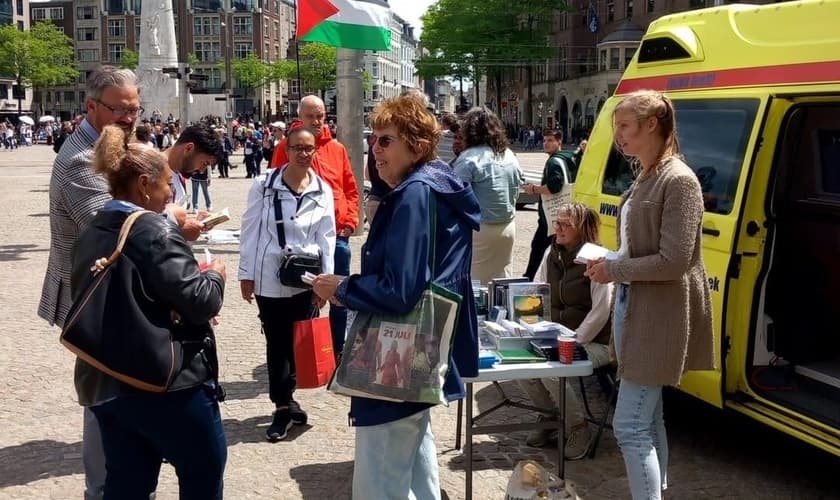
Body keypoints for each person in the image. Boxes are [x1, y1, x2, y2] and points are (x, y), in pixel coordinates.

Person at [312, 94, 480, 500]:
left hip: (398, 355)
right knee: (415, 458)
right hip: (424, 351)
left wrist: (343, 288)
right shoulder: (439, 183)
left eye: (386, 140)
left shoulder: (413, 194)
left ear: (417, 146)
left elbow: (400, 290)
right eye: (374, 139)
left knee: (380, 480)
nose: (375, 148)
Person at [72, 124, 227, 499]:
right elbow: (201, 300)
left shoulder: (94, 227)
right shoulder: (155, 231)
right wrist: (215, 277)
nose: (172, 193)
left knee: (127, 483)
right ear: (144, 184)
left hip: (107, 380)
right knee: (202, 474)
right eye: (167, 185)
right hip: (166, 383)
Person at [585, 90, 715, 500]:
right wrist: (608, 260)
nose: (618, 135)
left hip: (658, 314)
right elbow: (638, 247)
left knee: (630, 426)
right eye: (616, 127)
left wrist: (616, 268)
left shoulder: (678, 180)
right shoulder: (647, 173)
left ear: (651, 124)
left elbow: (674, 261)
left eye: (624, 126)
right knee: (649, 416)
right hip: (633, 305)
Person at [38, 66, 142, 500]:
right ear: (91, 107)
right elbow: (114, 226)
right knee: (102, 397)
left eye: (135, 108)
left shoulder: (113, 143)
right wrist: (172, 222)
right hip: (91, 299)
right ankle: (103, 490)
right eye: (121, 109)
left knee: (123, 390)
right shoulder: (80, 159)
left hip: (115, 293)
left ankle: (129, 479)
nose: (130, 118)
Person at [239, 126, 336, 442]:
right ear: (286, 149)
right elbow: (251, 230)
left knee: (300, 342)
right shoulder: (264, 185)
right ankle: (281, 405)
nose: (303, 154)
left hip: (306, 280)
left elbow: (328, 238)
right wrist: (246, 275)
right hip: (270, 277)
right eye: (297, 148)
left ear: (315, 150)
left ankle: (289, 396)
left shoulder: (323, 190)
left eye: (309, 148)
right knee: (277, 343)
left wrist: (326, 282)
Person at [517, 202, 612, 458]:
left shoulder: (597, 258)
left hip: (597, 342)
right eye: (556, 222)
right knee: (519, 362)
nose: (556, 228)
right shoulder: (553, 254)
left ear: (582, 229)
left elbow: (601, 311)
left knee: (551, 371)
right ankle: (550, 417)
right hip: (557, 337)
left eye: (564, 224)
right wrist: (529, 326)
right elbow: (538, 292)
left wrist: (575, 339)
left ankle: (578, 427)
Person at [271, 95, 360, 360]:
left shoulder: (337, 148)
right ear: (300, 116)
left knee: (340, 294)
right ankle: (305, 349)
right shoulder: (286, 147)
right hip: (304, 237)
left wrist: (350, 220)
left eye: (320, 115)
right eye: (311, 116)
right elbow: (275, 188)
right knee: (302, 294)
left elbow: (350, 188)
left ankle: (337, 348)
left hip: (338, 236)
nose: (317, 121)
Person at [452, 106, 522, 284]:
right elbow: (517, 187)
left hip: (480, 229)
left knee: (476, 284)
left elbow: (456, 198)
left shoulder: (469, 158)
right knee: (501, 280)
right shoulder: (509, 155)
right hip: (507, 226)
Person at [522, 129, 578, 280]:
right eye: (545, 140)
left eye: (550, 140)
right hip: (567, 211)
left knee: (538, 247)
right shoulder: (570, 156)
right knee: (562, 247)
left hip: (551, 215)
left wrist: (533, 189)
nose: (546, 144)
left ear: (559, 142)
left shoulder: (554, 161)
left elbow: (554, 187)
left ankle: (528, 278)